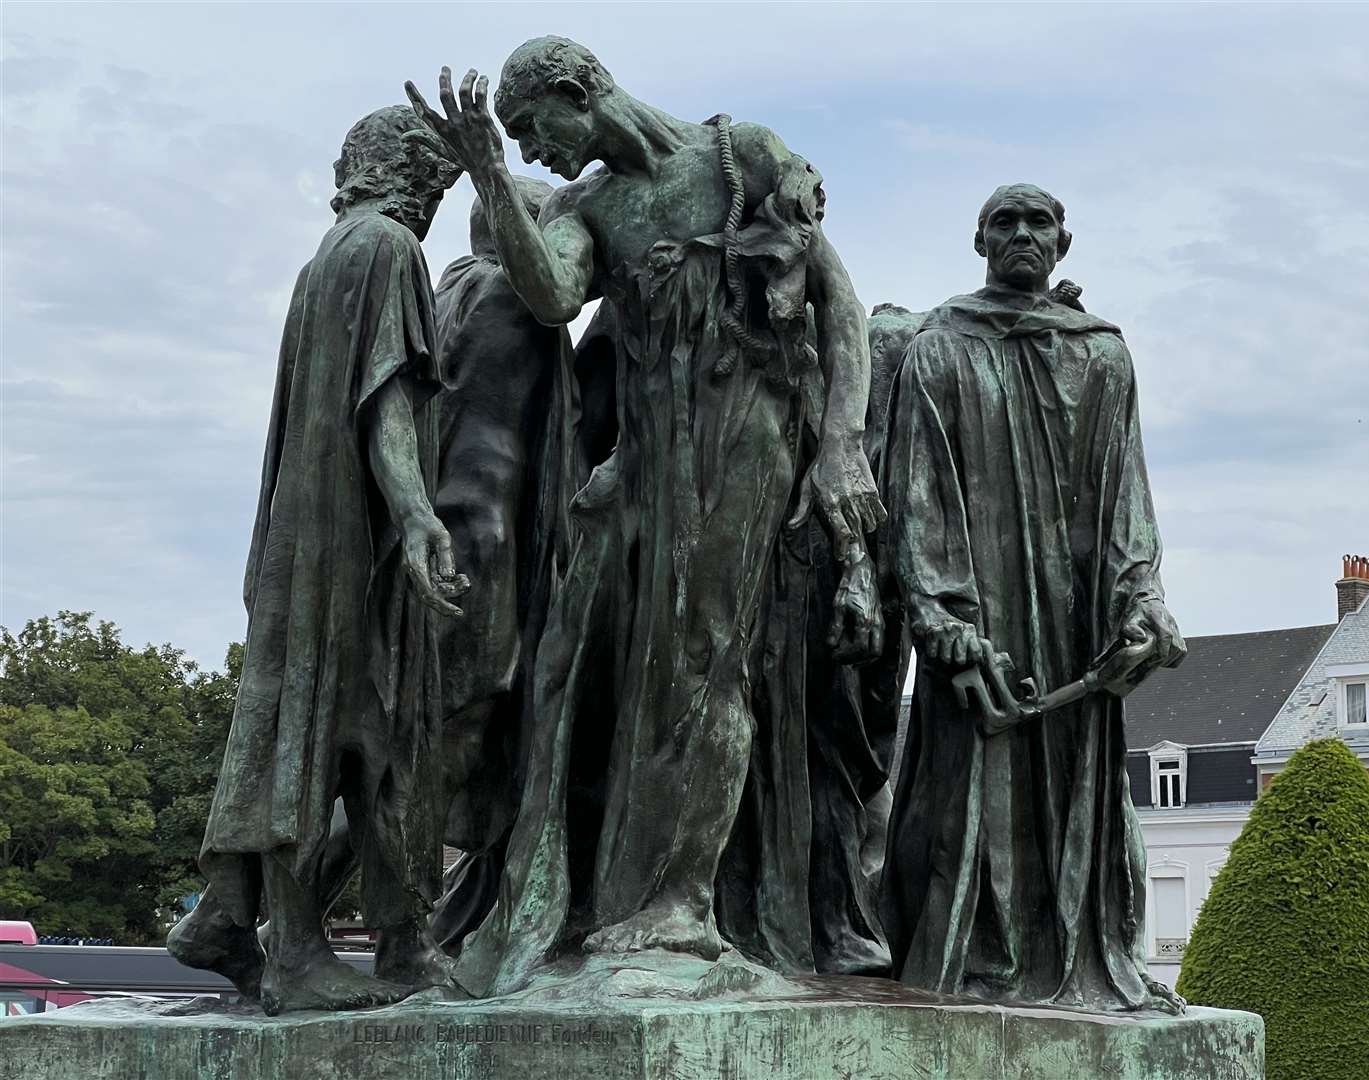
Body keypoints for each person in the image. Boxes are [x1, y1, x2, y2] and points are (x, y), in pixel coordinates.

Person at [406, 37, 883, 996]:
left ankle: (682, 906)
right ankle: (587, 897)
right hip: (647, 461)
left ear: (579, 94)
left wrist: (841, 445)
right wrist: (491, 178)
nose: (539, 152)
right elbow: (547, 294)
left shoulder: (740, 156)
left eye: (534, 130)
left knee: (702, 665)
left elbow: (839, 305)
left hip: (746, 436)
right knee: (587, 668)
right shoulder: (590, 206)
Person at [166, 106, 467, 1014]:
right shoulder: (386, 249)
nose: (439, 203)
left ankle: (234, 917)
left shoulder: (324, 257)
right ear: (410, 175)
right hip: (343, 532)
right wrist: (415, 513)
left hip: (300, 531)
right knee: (337, 726)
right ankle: (296, 951)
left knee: (329, 727)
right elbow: (384, 401)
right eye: (440, 183)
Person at [881, 183, 1187, 1013]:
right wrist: (940, 619)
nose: (1022, 234)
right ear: (978, 240)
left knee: (1076, 795)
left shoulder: (1104, 356)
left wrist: (1142, 600)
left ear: (1065, 242)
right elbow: (919, 496)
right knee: (965, 811)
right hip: (981, 629)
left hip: (1076, 625)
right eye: (1005, 223)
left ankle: (1085, 966)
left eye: (1038, 222)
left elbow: (1128, 497)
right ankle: (982, 969)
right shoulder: (938, 349)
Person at [426, 176, 579, 952]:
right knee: (450, 744)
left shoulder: (446, 291)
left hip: (462, 543)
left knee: (458, 745)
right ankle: (265, 910)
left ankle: (466, 916)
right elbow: (488, 466)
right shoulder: (507, 295)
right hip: (482, 552)